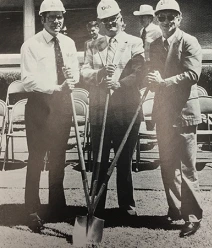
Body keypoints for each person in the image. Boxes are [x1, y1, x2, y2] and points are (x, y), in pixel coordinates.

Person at [81, 0, 144, 217]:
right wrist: (99, 75)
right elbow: (84, 72)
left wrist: (120, 83)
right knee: (99, 160)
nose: (110, 24)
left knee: (123, 160)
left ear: (120, 18)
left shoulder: (135, 42)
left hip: (126, 110)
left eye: (113, 19)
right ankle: (97, 207)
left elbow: (139, 73)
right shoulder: (92, 45)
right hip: (100, 111)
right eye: (105, 21)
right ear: (101, 23)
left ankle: (126, 205)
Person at [146, 0, 203, 237]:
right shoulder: (155, 43)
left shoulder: (189, 41)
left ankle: (192, 217)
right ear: (157, 20)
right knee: (168, 166)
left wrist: (163, 83)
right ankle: (175, 210)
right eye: (162, 17)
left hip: (184, 114)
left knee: (187, 168)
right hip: (163, 114)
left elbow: (193, 74)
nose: (167, 22)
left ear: (179, 18)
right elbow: (154, 71)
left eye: (171, 17)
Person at [21, 0, 79, 230]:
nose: (57, 21)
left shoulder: (69, 43)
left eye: (60, 17)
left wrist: (71, 80)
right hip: (39, 106)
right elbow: (28, 80)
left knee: (58, 159)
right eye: (52, 17)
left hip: (62, 106)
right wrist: (55, 87)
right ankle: (31, 209)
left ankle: (57, 206)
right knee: (36, 158)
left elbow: (74, 73)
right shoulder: (31, 45)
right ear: (42, 19)